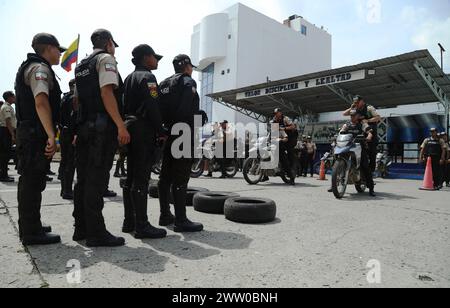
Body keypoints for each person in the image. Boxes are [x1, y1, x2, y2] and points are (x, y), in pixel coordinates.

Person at [73, 29, 130, 247]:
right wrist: (120, 125)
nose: (114, 49)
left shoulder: (81, 66)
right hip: (101, 128)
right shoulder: (106, 59)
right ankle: (96, 233)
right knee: (96, 180)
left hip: (85, 127)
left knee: (83, 180)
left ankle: (80, 229)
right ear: (108, 43)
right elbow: (107, 93)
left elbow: (77, 101)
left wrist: (79, 130)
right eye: (113, 44)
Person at [14, 33, 66, 245]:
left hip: (31, 131)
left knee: (32, 181)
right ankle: (31, 231)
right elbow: (41, 102)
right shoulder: (40, 69)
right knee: (32, 181)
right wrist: (51, 136)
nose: (60, 54)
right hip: (36, 133)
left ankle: (31, 224)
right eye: (58, 50)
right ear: (48, 48)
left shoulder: (34, 66)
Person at [122, 44, 167, 239]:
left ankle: (129, 221)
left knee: (131, 176)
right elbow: (152, 104)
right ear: (146, 58)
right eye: (154, 57)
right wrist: (161, 129)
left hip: (130, 127)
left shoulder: (128, 78)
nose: (156, 61)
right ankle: (142, 225)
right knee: (141, 178)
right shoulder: (148, 77)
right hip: (143, 130)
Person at [158, 54, 207, 232]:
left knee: (165, 178)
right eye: (191, 67)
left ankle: (165, 215)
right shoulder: (188, 82)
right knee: (180, 178)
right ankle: (181, 220)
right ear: (186, 66)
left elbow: (159, 108)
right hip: (183, 133)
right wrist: (198, 116)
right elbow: (186, 107)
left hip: (168, 133)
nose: (192, 70)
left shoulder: (163, 84)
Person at [339, 110, 376, 197]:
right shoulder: (347, 124)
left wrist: (369, 135)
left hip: (360, 146)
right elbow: (342, 130)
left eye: (354, 115)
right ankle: (334, 184)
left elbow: (369, 130)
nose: (352, 117)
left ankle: (371, 188)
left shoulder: (362, 123)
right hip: (348, 146)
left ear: (358, 116)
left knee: (365, 166)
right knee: (337, 159)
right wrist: (339, 134)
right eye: (351, 115)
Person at [344, 95, 381, 172]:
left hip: (370, 131)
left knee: (371, 152)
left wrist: (368, 121)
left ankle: (371, 172)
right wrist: (351, 107)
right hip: (359, 131)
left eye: (357, 102)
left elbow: (378, 118)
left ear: (362, 101)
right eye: (355, 102)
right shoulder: (355, 108)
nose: (356, 104)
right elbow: (344, 114)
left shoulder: (369, 108)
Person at [59, 79, 77, 200]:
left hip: (63, 132)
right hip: (71, 133)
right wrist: (76, 133)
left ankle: (64, 189)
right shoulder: (73, 99)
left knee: (65, 161)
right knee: (70, 163)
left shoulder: (64, 97)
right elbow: (74, 118)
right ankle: (67, 191)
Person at [272, 108, 297, 185]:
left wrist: (284, 128)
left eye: (277, 113)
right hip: (281, 137)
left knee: (285, 156)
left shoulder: (286, 118)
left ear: (280, 112)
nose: (276, 114)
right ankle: (265, 175)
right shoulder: (274, 120)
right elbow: (273, 130)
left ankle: (291, 177)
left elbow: (293, 127)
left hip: (290, 138)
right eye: (275, 113)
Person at [0, 91, 17, 182]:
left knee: (4, 154)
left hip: (5, 131)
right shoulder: (6, 107)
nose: (14, 97)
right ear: (9, 97)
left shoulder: (8, 107)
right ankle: (3, 175)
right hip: (6, 131)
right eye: (13, 96)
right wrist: (12, 134)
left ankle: (3, 174)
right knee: (5, 155)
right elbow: (8, 121)